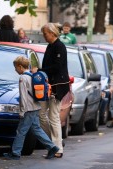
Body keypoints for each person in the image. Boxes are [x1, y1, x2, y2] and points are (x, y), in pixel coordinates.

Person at [3, 56, 59, 160]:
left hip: (28, 109)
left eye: (15, 67)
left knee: (21, 131)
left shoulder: (22, 78)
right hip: (36, 106)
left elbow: (23, 96)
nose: (15, 70)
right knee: (36, 129)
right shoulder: (32, 76)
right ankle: (52, 147)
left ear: (20, 67)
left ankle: (15, 153)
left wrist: (22, 111)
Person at [32, 23, 70, 158]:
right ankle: (55, 142)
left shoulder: (60, 46)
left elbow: (58, 67)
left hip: (57, 86)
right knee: (41, 115)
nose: (44, 36)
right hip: (48, 85)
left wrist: (40, 71)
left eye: (45, 34)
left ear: (53, 33)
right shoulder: (50, 46)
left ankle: (57, 148)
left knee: (53, 116)